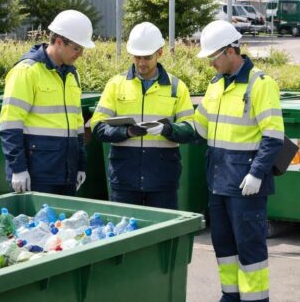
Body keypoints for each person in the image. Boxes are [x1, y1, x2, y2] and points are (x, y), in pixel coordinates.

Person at [193, 20, 284, 302]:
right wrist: (168, 128)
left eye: (213, 57)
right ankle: (230, 297)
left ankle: (255, 300)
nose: (211, 64)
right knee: (224, 248)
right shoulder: (216, 85)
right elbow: (200, 128)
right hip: (219, 182)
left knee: (250, 251)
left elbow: (274, 136)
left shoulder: (260, 84)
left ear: (231, 51)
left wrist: (257, 173)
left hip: (246, 185)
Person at [90, 22, 195, 209]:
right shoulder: (115, 85)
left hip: (162, 180)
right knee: (125, 235)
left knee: (163, 234)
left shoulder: (177, 87)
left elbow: (190, 130)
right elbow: (97, 127)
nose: (141, 63)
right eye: (137, 57)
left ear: (160, 53)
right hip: (124, 179)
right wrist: (126, 132)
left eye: (147, 57)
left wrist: (167, 129)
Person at [0, 10, 95, 196]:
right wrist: (17, 168)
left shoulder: (71, 74)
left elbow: (77, 124)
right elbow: (10, 124)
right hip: (36, 174)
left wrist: (81, 164)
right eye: (77, 48)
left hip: (67, 172)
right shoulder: (27, 71)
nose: (81, 54)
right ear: (59, 41)